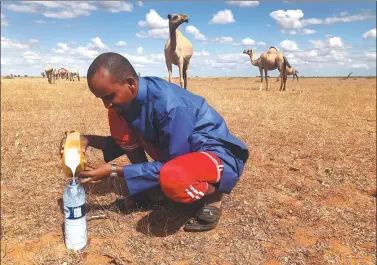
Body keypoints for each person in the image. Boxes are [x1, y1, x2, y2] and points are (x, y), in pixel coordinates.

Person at [60, 52, 249, 232]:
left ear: (131, 84)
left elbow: (175, 163)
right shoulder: (128, 103)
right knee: (117, 117)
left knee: (173, 177)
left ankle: (214, 193)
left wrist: (113, 171)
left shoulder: (170, 106)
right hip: (177, 153)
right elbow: (126, 142)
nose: (106, 104)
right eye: (101, 99)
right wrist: (87, 139)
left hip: (214, 155)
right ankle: (151, 190)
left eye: (109, 97)